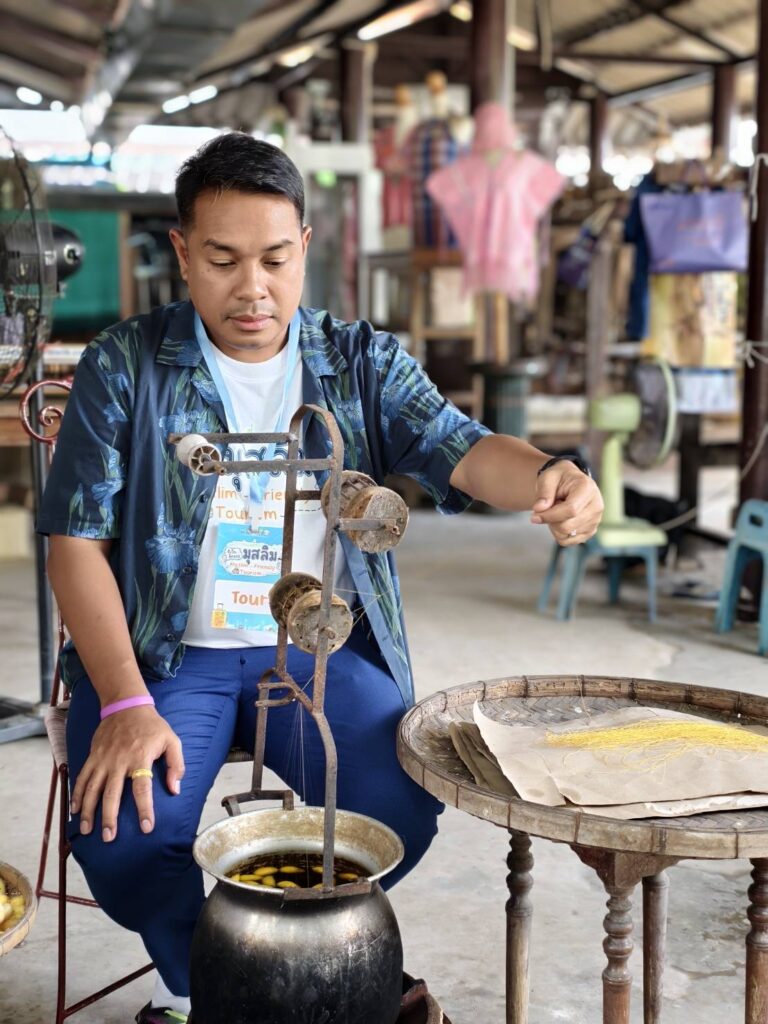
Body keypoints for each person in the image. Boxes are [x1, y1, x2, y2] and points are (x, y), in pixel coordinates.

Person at [38, 132, 603, 1024]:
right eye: (222, 259)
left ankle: (286, 968)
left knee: (399, 806)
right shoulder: (126, 365)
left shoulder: (355, 361)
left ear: (304, 246)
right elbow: (75, 542)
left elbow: (460, 449)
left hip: (313, 649)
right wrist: (123, 702)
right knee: (123, 837)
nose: (252, 288)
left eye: (274, 259)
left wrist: (549, 475)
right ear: (181, 253)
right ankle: (224, 984)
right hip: (168, 658)